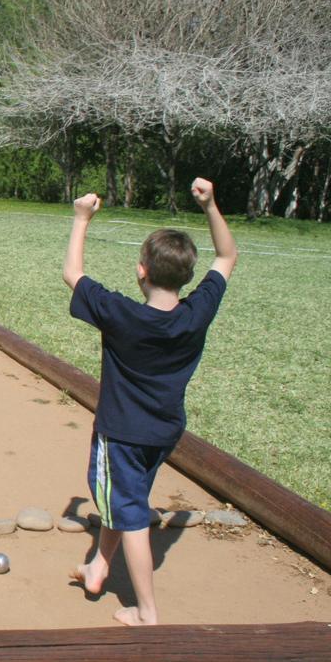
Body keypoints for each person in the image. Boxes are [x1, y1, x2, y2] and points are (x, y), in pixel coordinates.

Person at [62, 178, 237, 625]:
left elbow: (73, 275)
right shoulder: (196, 314)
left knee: (130, 511)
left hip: (121, 433)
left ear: (141, 270)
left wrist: (81, 218)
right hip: (163, 431)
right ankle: (99, 566)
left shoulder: (122, 313)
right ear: (186, 276)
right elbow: (227, 255)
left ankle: (146, 610)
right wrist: (211, 206)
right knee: (128, 498)